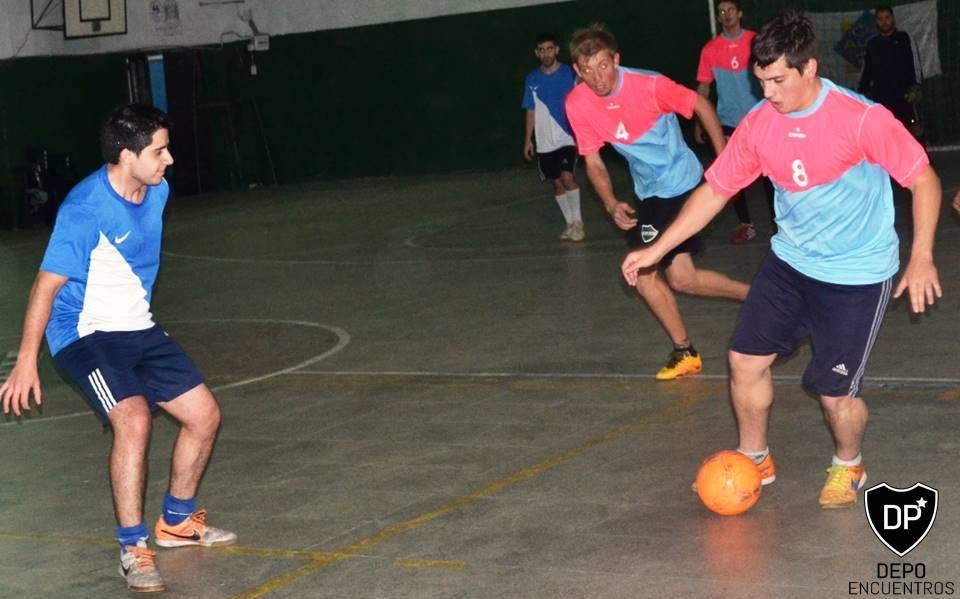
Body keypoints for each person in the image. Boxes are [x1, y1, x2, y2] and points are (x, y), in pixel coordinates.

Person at [621, 10, 942, 508]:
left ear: (809, 68)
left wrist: (921, 257)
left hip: (856, 274)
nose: (767, 93)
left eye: (777, 81)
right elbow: (714, 191)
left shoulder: (861, 118)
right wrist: (656, 249)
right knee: (744, 361)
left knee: (835, 395)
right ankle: (754, 458)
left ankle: (849, 465)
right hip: (790, 264)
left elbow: (923, 179)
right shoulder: (758, 125)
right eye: (761, 81)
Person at [0, 104, 236, 592]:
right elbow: (45, 286)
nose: (169, 160)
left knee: (204, 416)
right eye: (159, 151)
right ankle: (133, 548)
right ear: (127, 155)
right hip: (84, 333)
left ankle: (177, 522)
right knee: (134, 419)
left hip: (137, 327)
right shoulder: (84, 210)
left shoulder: (157, 189)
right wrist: (26, 361)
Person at [564, 24, 749, 380]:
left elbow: (701, 104)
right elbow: (594, 162)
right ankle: (759, 298)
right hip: (650, 192)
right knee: (683, 279)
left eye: (603, 65)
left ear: (616, 59)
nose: (597, 77)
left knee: (641, 270)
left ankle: (685, 351)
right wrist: (609, 202)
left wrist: (725, 162)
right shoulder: (578, 103)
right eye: (587, 70)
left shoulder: (649, 85)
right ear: (577, 70)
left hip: (679, 183)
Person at [695, 0, 776, 244]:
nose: (727, 14)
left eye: (731, 10)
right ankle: (746, 225)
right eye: (722, 11)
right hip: (729, 121)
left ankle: (779, 226)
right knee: (731, 175)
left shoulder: (755, 42)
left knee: (770, 175)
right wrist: (699, 121)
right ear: (718, 17)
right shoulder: (710, 49)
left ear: (739, 13)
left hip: (759, 118)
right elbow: (703, 87)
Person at [522, 32, 584, 242]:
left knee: (567, 178)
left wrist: (582, 131)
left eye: (549, 49)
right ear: (537, 53)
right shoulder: (532, 79)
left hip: (567, 137)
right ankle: (570, 224)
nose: (546, 53)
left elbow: (582, 101)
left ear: (556, 50)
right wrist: (528, 139)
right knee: (557, 184)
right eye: (542, 50)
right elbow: (530, 110)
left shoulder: (569, 74)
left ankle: (578, 223)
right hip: (544, 142)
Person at [858, 6, 921, 131]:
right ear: (876, 21)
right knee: (883, 134)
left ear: (893, 18)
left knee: (912, 133)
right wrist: (861, 92)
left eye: (887, 17)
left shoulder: (905, 38)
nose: (884, 22)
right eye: (880, 19)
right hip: (880, 100)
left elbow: (916, 64)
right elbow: (866, 71)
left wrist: (916, 86)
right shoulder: (872, 44)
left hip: (905, 98)